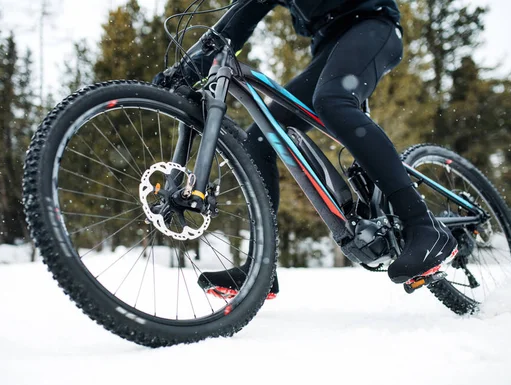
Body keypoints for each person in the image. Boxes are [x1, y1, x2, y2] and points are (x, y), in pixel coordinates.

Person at [153, 0, 457, 299]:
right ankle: (261, 268)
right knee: (259, 139)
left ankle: (423, 225)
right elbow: (240, 19)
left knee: (333, 101)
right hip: (330, 45)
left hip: (373, 23)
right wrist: (187, 69)